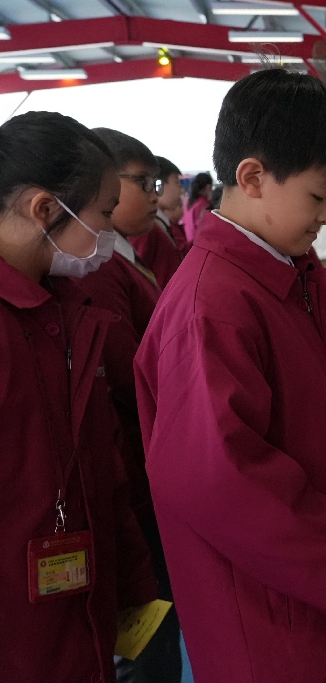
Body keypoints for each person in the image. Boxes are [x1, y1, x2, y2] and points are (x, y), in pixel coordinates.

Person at [134, 68, 326, 683]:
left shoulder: (285, 270)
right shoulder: (212, 305)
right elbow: (221, 483)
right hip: (276, 627)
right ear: (253, 177)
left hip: (318, 600)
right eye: (318, 197)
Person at [0, 111, 156, 682]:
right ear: (45, 209)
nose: (108, 234)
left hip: (78, 604)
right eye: (104, 214)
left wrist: (132, 581)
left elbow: (101, 459)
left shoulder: (65, 308)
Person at [77, 128, 183, 683]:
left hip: (142, 462)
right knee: (144, 626)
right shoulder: (97, 267)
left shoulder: (119, 254)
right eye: (144, 183)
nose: (153, 195)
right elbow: (131, 366)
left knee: (153, 617)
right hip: (130, 463)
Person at [128, 155, 184, 288]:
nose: (181, 190)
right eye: (177, 183)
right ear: (160, 184)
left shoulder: (160, 224)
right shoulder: (146, 228)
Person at [181, 171, 211, 242]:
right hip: (199, 243)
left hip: (188, 242)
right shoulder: (204, 204)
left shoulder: (187, 201)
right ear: (208, 187)